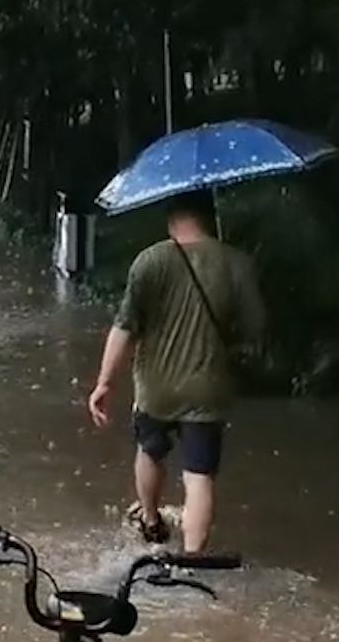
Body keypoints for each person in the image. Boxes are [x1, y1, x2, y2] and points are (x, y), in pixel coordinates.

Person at [86, 190, 265, 552]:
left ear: (171, 217)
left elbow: (125, 327)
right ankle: (193, 558)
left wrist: (104, 382)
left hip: (155, 386)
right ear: (210, 216)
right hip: (208, 386)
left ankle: (152, 523)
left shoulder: (149, 261)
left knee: (150, 452)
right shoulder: (237, 263)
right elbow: (255, 330)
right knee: (199, 477)